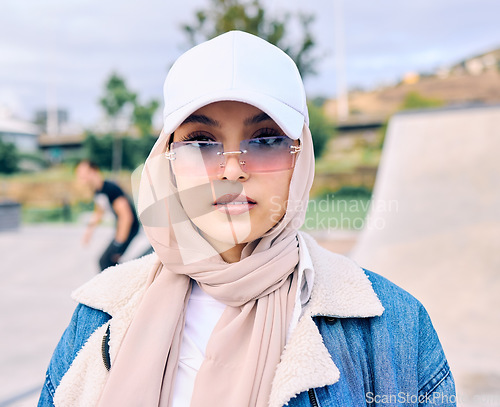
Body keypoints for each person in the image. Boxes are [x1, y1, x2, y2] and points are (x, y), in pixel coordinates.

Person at [38, 31, 456, 407]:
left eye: (267, 140)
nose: (232, 170)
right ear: (166, 161)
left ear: (301, 158)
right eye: (201, 142)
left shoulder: (393, 330)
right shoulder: (99, 317)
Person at [76, 160, 140, 271]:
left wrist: (119, 243)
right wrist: (89, 232)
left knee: (106, 262)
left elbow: (126, 217)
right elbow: (99, 211)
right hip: (121, 228)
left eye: (83, 172)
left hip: (129, 228)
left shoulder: (110, 189)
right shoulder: (98, 191)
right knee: (108, 263)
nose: (80, 176)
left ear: (93, 171)